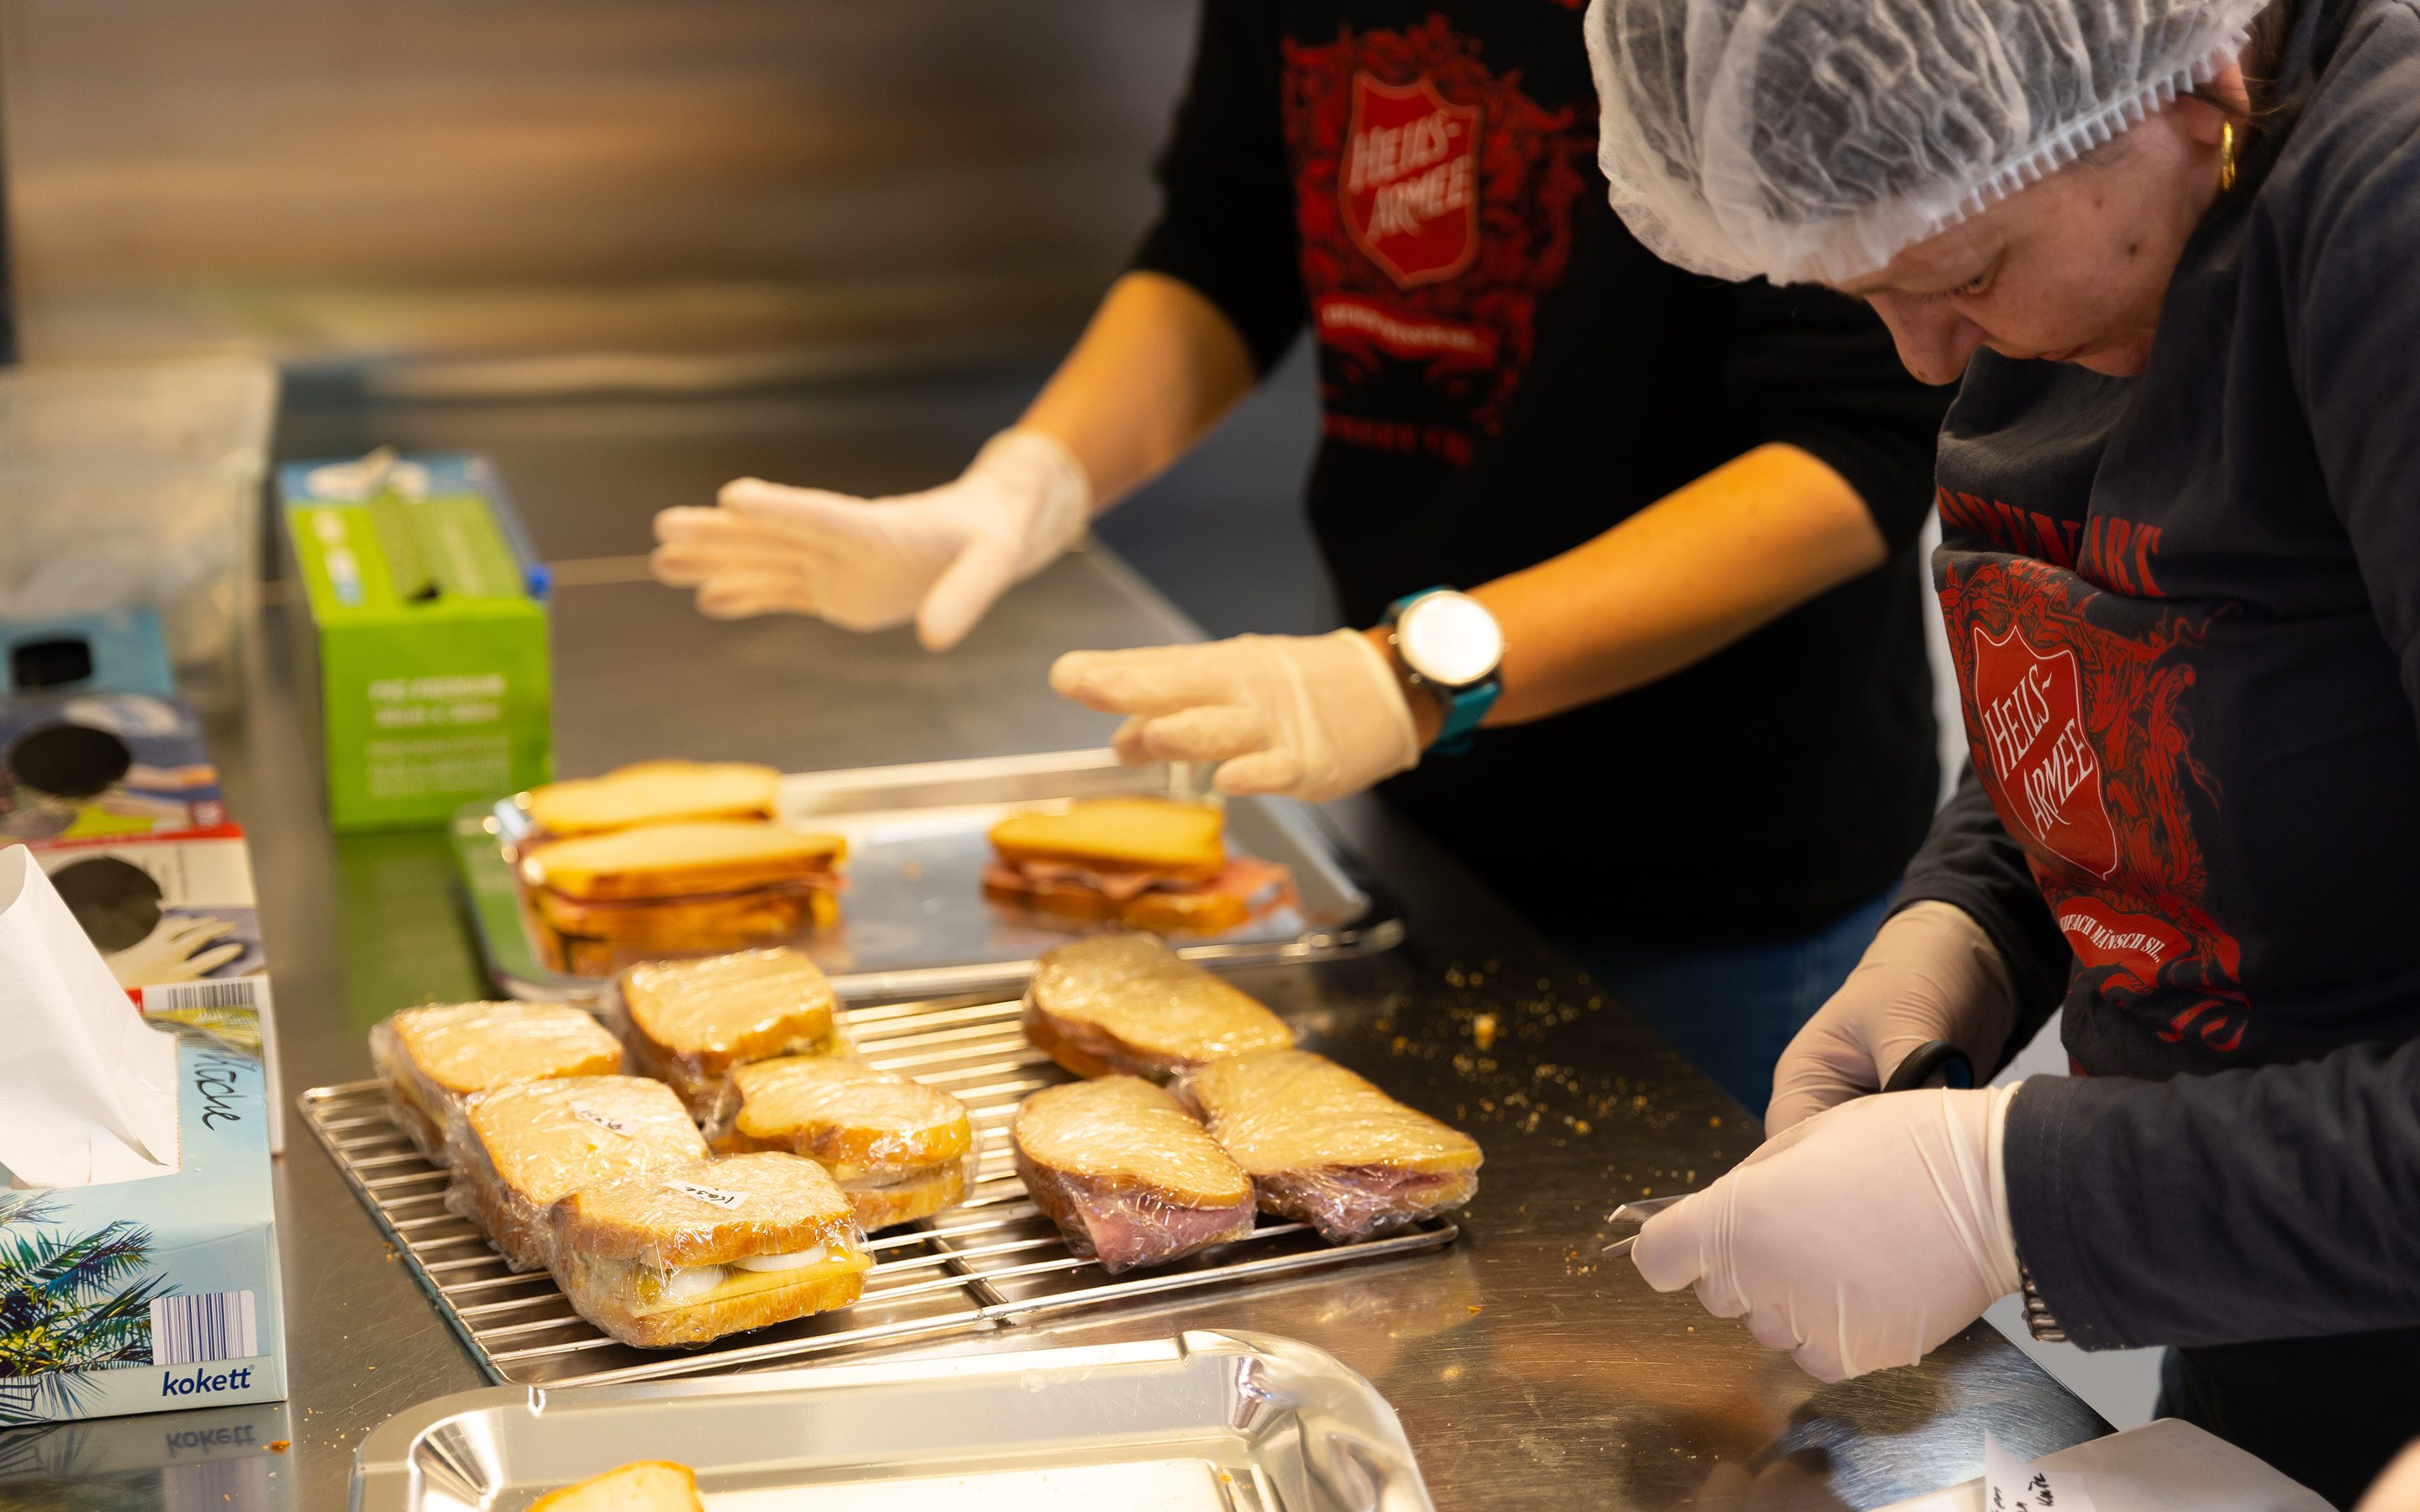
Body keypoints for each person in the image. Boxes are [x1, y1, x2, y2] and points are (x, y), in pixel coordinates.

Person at [655, 3, 1951, 1111]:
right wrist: (1025, 482)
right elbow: (1228, 244)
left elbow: (1856, 453)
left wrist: (1432, 670)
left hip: (1728, 875)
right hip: (1429, 811)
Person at [1585, 0, 2420, 1499]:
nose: (1924, 357)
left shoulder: (2390, 234)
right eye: (1875, 294)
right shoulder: (2092, 221)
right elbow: (2185, 672)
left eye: (1963, 277)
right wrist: (1961, 924)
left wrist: (2011, 1196)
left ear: (2190, 72)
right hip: (2264, 1346)